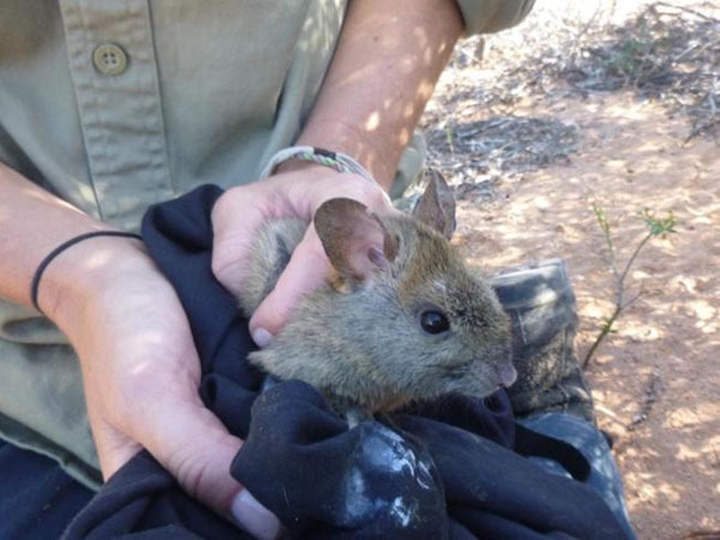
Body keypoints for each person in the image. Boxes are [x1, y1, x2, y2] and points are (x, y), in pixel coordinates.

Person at [0, 2, 634, 538]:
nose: (501, 373)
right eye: (435, 321)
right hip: (30, 403)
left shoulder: (388, 291)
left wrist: (336, 154)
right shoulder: (357, 299)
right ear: (359, 260)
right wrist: (75, 277)